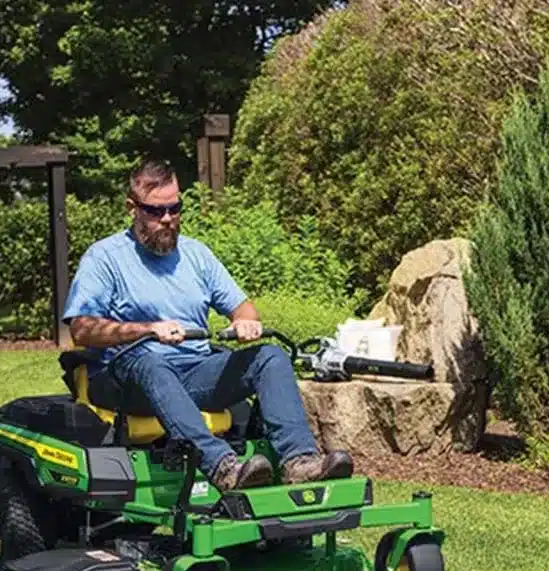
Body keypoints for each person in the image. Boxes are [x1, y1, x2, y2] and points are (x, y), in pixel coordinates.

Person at [61, 159, 353, 491]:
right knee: (148, 360)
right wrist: (146, 330)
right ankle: (222, 466)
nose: (168, 219)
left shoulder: (195, 255)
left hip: (192, 371)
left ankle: (299, 461)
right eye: (156, 212)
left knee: (270, 356)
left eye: (175, 208)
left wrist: (245, 323)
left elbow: (244, 308)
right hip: (126, 377)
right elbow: (81, 329)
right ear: (133, 208)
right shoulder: (105, 258)